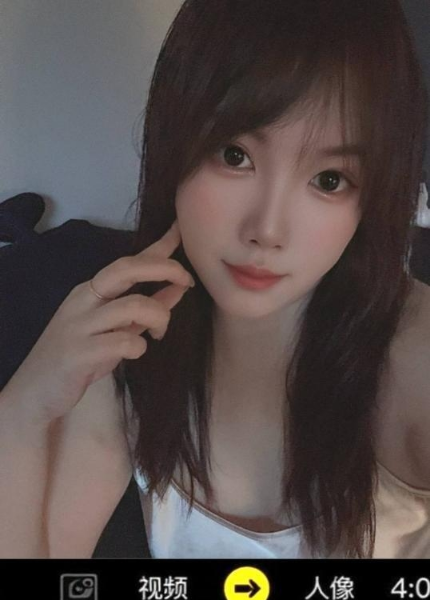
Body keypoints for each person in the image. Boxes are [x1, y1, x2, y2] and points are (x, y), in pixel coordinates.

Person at [0, 0, 429, 559]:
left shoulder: (412, 356)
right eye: (235, 155)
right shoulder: (130, 335)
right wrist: (21, 413)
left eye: (329, 179)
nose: (267, 230)